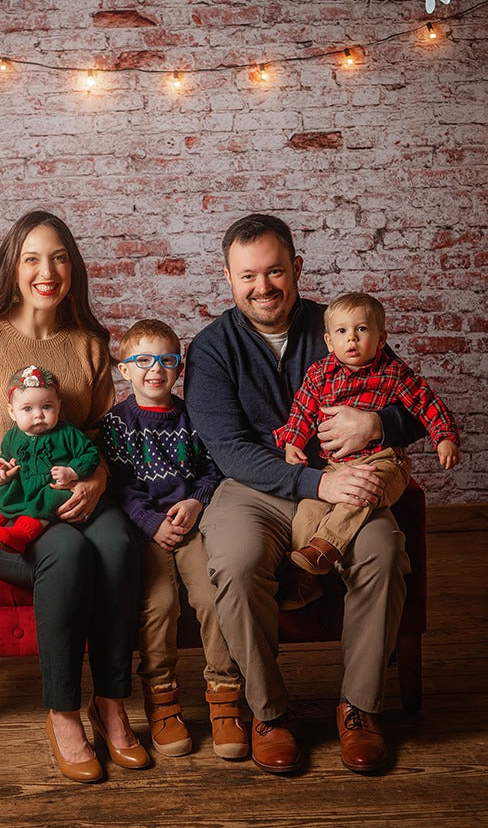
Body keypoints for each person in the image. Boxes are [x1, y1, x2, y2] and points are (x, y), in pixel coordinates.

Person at [0, 209, 149, 784]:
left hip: (70, 493)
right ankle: (64, 711)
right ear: (13, 269)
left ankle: (111, 704)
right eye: (33, 258)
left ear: (74, 269)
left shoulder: (88, 345)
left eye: (60, 257)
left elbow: (96, 432)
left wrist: (94, 481)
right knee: (64, 551)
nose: (48, 271)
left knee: (118, 543)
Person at [184, 212, 427, 775]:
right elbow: (228, 449)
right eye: (248, 276)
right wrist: (314, 480)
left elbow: (416, 402)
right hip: (253, 489)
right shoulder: (213, 349)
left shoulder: (342, 324)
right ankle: (269, 713)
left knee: (384, 551)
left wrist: (377, 427)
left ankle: (360, 709)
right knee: (237, 563)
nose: (262, 286)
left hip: (346, 487)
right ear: (228, 278)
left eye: (274, 271)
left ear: (296, 268)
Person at [101, 319, 249, 761]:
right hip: (146, 530)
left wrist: (197, 503)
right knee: (160, 603)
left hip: (190, 525)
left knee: (210, 596)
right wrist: (151, 523)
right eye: (143, 361)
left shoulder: (191, 417)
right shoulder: (119, 423)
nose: (155, 370)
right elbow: (119, 484)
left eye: (167, 361)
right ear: (124, 370)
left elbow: (212, 468)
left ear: (179, 368)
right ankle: (162, 701)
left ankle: (225, 696)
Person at [274, 292, 460, 577]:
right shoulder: (319, 374)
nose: (352, 339)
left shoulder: (392, 372)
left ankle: (326, 546)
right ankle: (305, 576)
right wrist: (292, 443)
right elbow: (303, 410)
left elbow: (426, 403)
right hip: (335, 465)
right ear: (329, 342)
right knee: (307, 510)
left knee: (362, 491)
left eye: (361, 329)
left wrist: (444, 436)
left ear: (381, 339)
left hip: (383, 461)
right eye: (342, 331)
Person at [0, 365, 102, 553]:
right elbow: (5, 457)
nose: (38, 414)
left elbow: (91, 454)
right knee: (4, 490)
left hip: (54, 484)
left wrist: (72, 471)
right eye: (27, 409)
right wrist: (1, 469)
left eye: (47, 406)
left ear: (58, 406)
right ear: (12, 412)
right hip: (23, 481)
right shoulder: (12, 436)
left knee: (48, 497)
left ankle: (22, 534)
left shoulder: (68, 433)